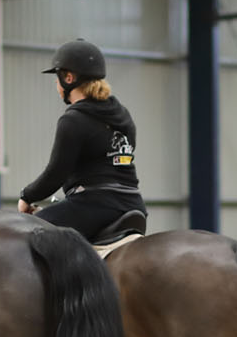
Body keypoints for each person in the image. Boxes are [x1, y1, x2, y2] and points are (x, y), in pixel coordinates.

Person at [15, 39, 148, 240]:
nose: (56, 84)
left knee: (25, 235)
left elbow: (56, 174)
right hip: (133, 205)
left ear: (68, 78)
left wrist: (27, 196)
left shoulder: (73, 120)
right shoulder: (123, 115)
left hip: (94, 207)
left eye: (57, 77)